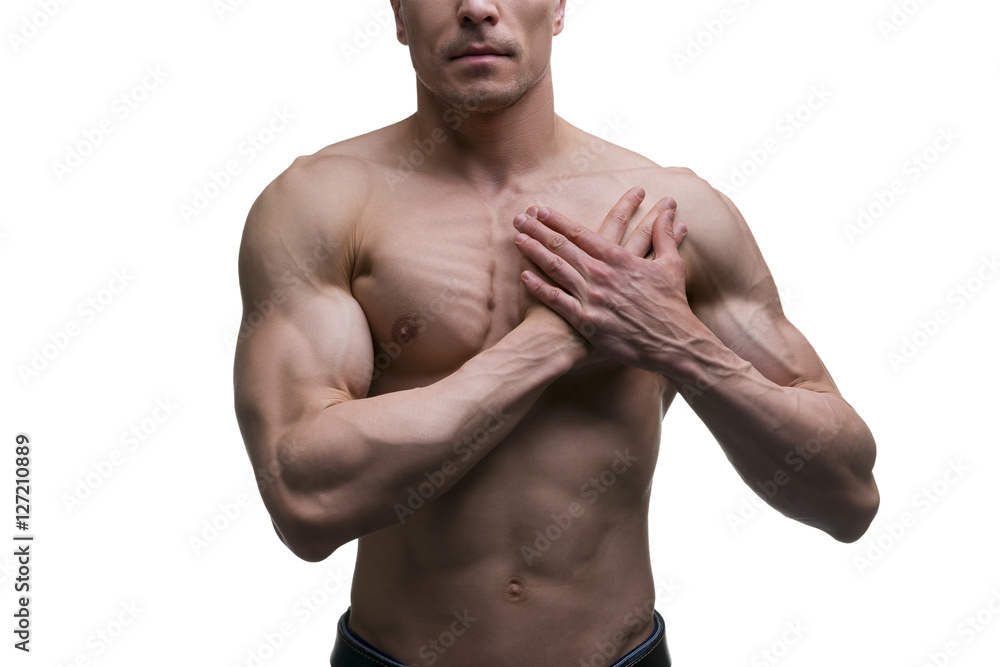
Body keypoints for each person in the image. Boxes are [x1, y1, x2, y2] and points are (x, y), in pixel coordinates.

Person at [232, 1, 880, 665]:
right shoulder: (323, 205)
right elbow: (302, 497)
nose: (477, 8)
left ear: (561, 7)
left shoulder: (667, 214)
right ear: (398, 15)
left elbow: (847, 492)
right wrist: (549, 344)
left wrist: (677, 344)